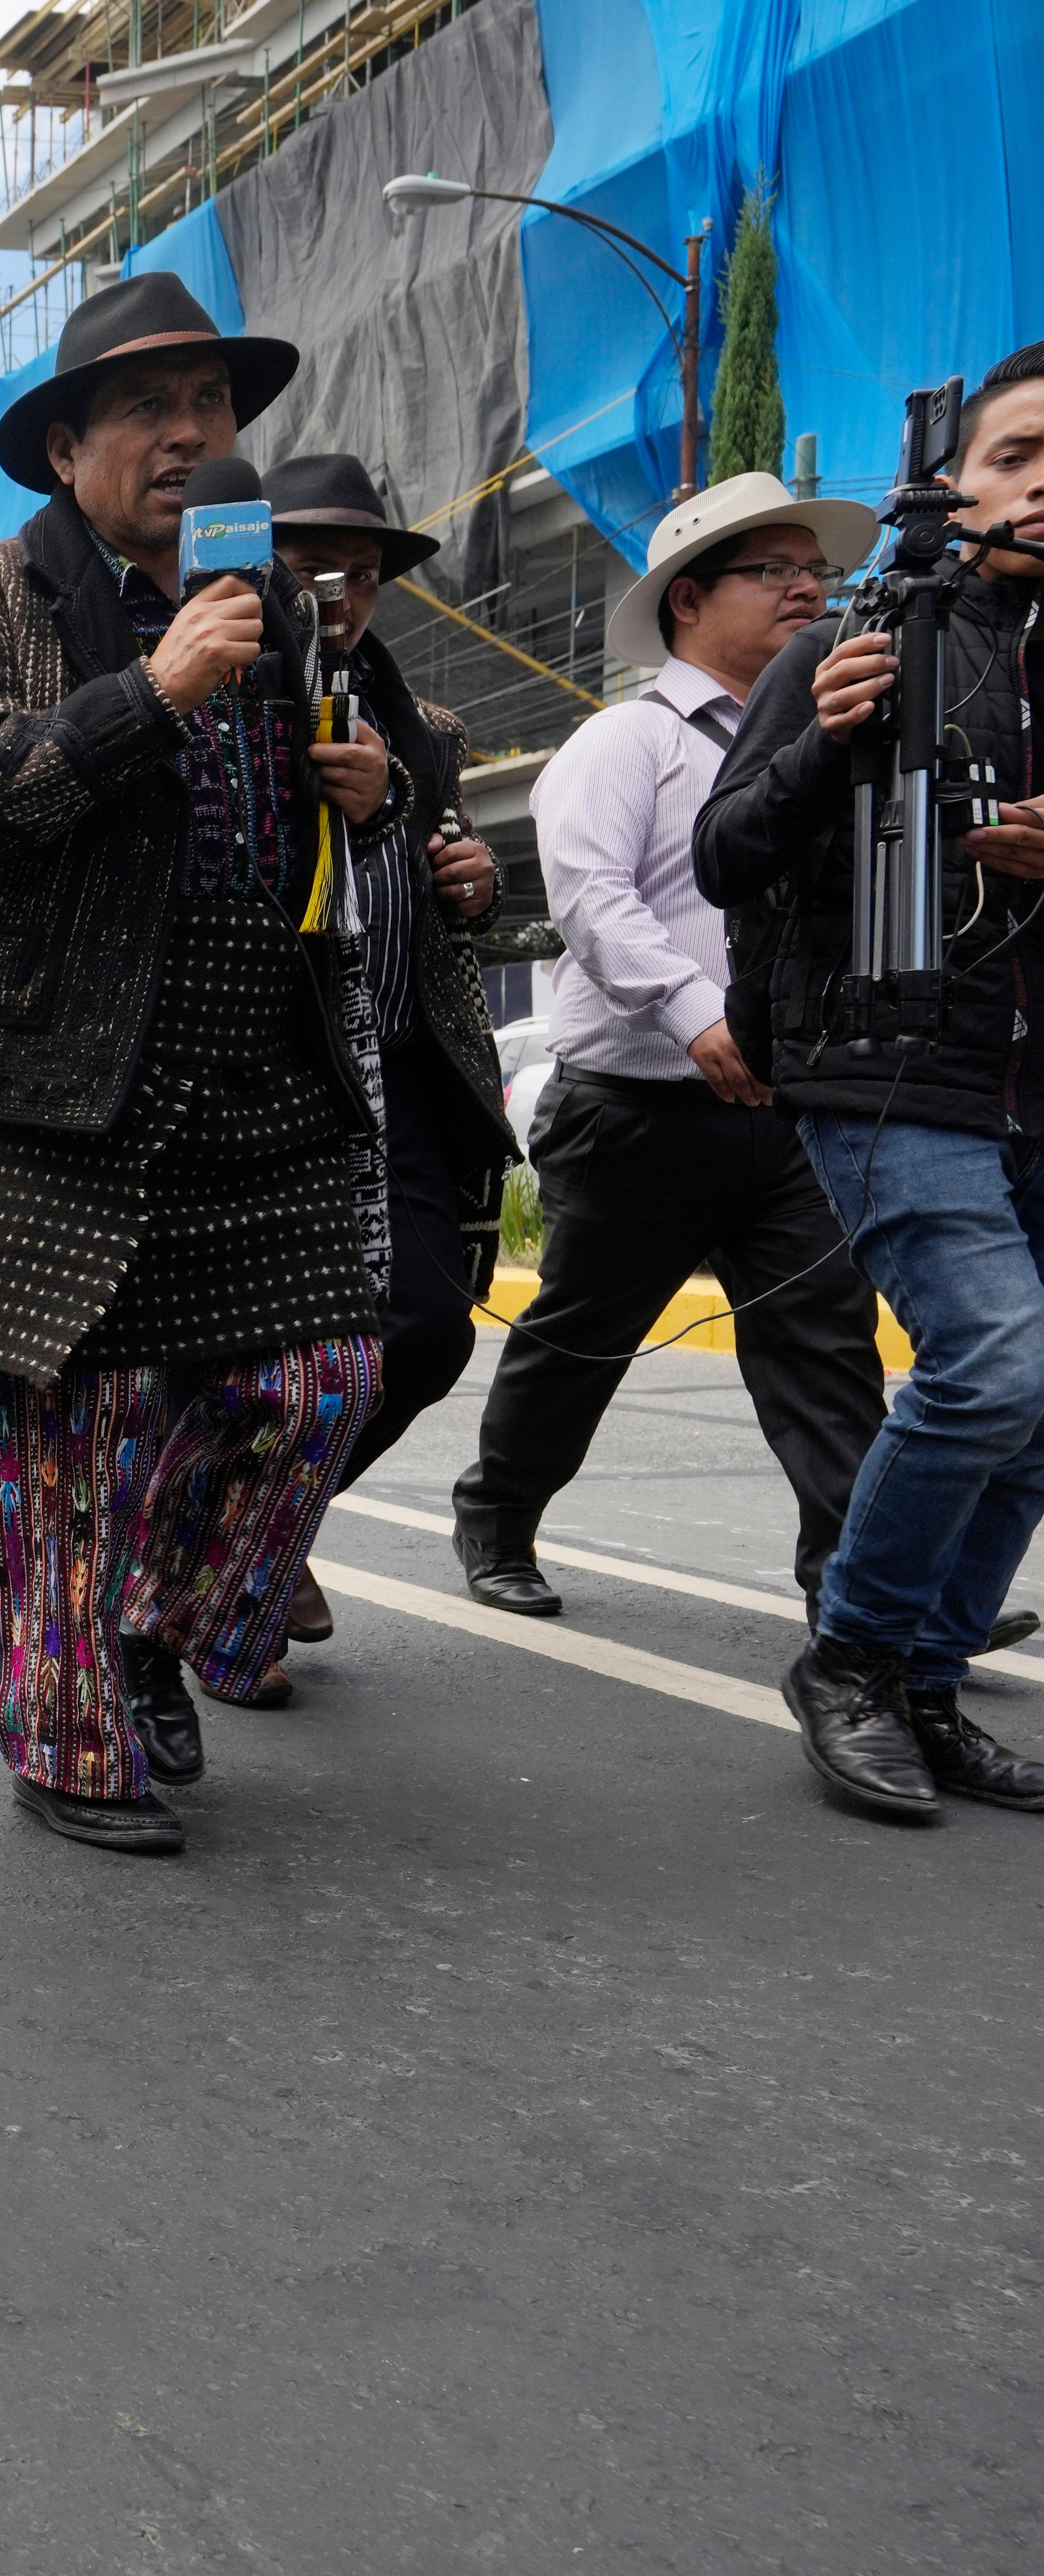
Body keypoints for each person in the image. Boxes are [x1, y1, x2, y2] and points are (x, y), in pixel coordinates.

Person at [0, 273, 380, 1859]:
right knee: (64, 1437)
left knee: (322, 1385)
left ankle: (162, 1631)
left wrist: (362, 801)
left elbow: (289, 834)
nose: (189, 435)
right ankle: (70, 1735)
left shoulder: (282, 605)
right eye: (147, 409)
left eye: (212, 407)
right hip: (59, 1086)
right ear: (65, 450)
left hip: (259, 1065)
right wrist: (147, 697)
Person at [696, 347, 1044, 1821]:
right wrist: (829, 743)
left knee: (1040, 1404)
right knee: (995, 1362)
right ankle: (848, 1657)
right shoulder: (865, 639)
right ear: (951, 483)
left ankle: (927, 1673)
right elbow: (725, 855)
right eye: (1021, 454)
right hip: (890, 1063)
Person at [451, 473, 889, 1635]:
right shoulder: (624, 741)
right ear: (688, 600)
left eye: (819, 573)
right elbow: (594, 902)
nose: (810, 589)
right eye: (774, 571)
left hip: (786, 1110)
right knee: (585, 1332)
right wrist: (705, 1018)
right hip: (640, 1106)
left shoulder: (827, 746)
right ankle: (498, 1514)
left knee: (826, 1342)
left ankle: (862, 1591)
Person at [251, 456, 522, 1644]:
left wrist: (467, 876)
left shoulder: (428, 726)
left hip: (399, 1073)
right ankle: (219, 1557)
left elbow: (437, 879)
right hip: (266, 1073)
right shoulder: (231, 696)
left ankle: (267, 1525)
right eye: (316, 569)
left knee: (425, 1323)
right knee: (256, 1351)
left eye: (363, 575)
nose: (343, 594)